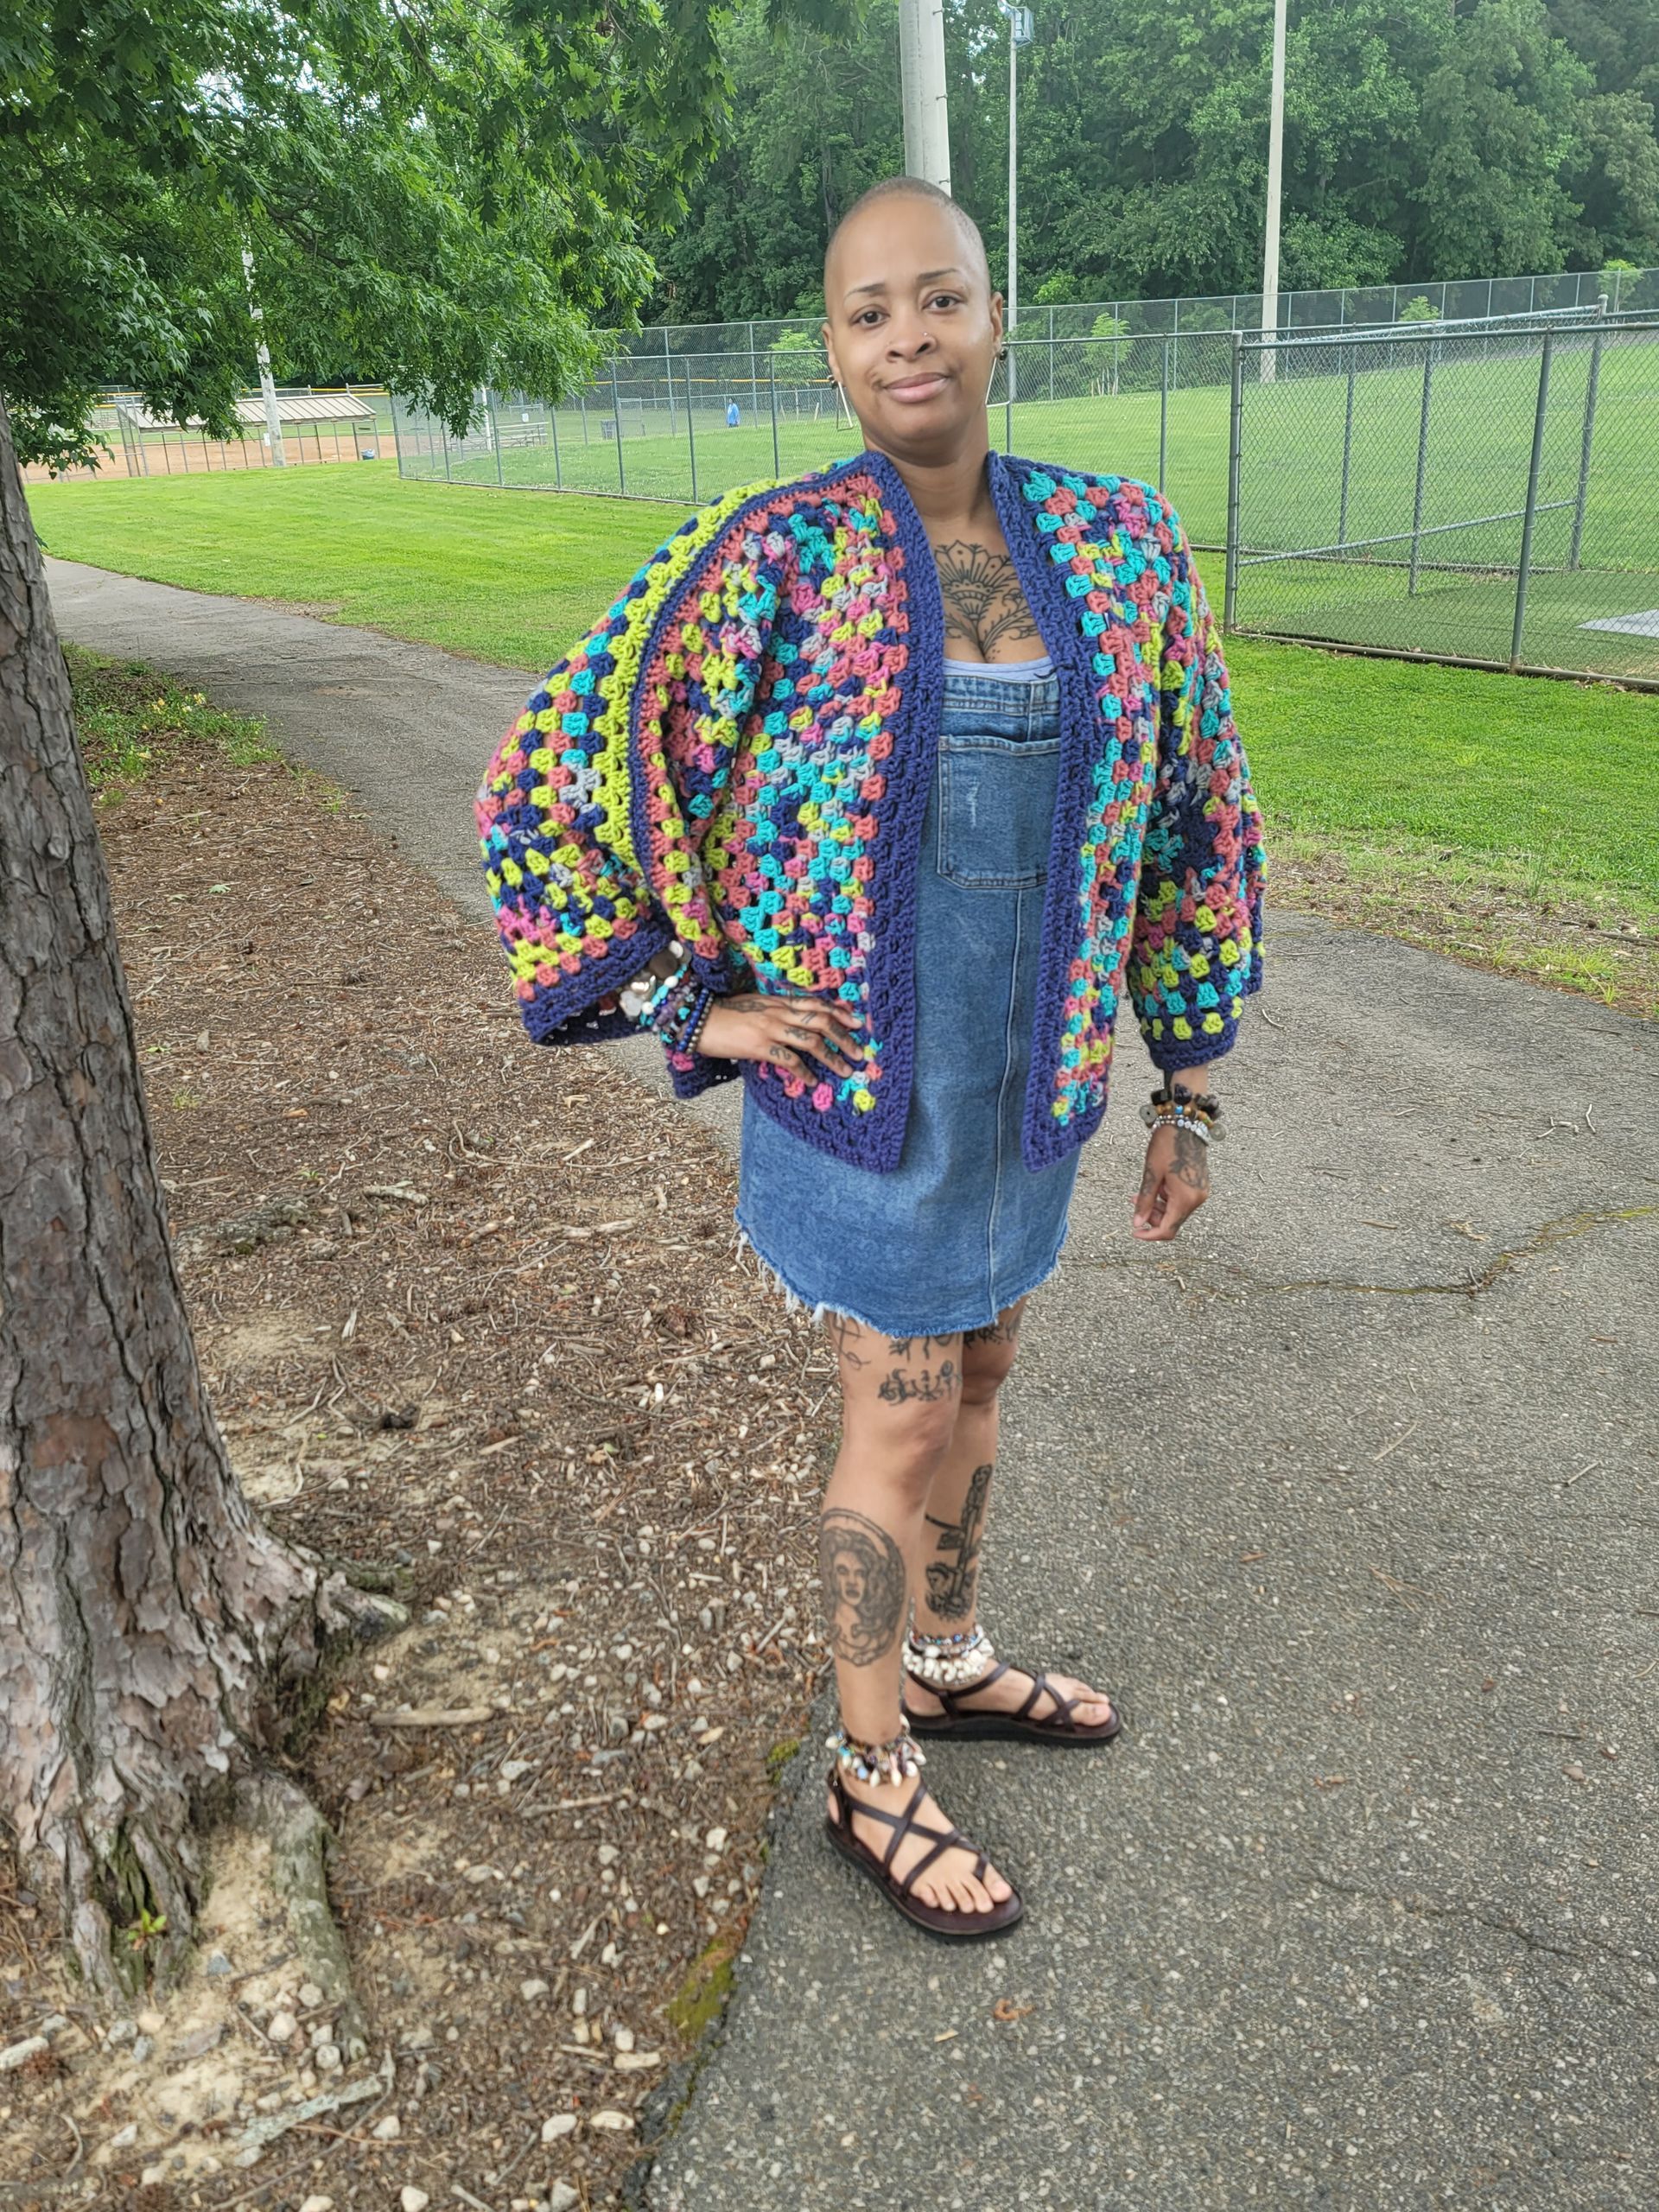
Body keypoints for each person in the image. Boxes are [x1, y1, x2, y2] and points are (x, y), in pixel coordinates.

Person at [476, 176, 1267, 1942]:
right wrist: (689, 1004)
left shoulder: (1126, 546)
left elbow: (1196, 821)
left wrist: (1187, 1087)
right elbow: (553, 773)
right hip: (863, 1111)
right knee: (896, 1410)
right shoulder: (772, 556)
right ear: (831, 350)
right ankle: (867, 1758)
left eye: (939, 298)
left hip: (1028, 1097)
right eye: (867, 312)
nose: (909, 336)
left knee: (982, 1373)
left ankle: (946, 1655)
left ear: (995, 317)